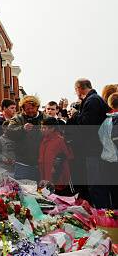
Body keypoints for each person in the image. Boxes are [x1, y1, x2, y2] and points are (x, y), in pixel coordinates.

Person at [72, 78, 111, 207]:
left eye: (75, 89)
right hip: (96, 149)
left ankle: (102, 216)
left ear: (79, 88)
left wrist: (76, 114)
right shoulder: (94, 99)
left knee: (96, 185)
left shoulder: (92, 100)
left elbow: (87, 125)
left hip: (94, 150)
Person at [7, 95, 47, 181]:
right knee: (23, 190)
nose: (30, 111)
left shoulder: (45, 118)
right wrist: (22, 129)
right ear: (23, 109)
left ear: (37, 107)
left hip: (41, 163)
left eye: (32, 108)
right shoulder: (17, 118)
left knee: (42, 191)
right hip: (22, 163)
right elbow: (9, 132)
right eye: (27, 109)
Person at [39, 117, 73, 195]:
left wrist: (57, 167)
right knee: (46, 197)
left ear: (52, 129)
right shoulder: (44, 139)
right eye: (41, 127)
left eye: (44, 128)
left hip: (56, 176)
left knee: (55, 199)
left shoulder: (60, 140)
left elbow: (68, 156)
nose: (42, 130)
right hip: (45, 174)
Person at [97, 92, 118, 208]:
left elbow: (101, 137)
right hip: (115, 161)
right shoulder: (115, 120)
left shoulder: (106, 121)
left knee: (112, 194)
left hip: (107, 160)